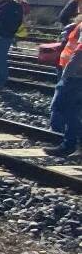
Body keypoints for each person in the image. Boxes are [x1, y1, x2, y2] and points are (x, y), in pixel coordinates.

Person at [46, 15, 81, 156]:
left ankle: (70, 145)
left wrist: (66, 75)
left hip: (76, 76)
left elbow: (80, 53)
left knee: (64, 108)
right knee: (74, 110)